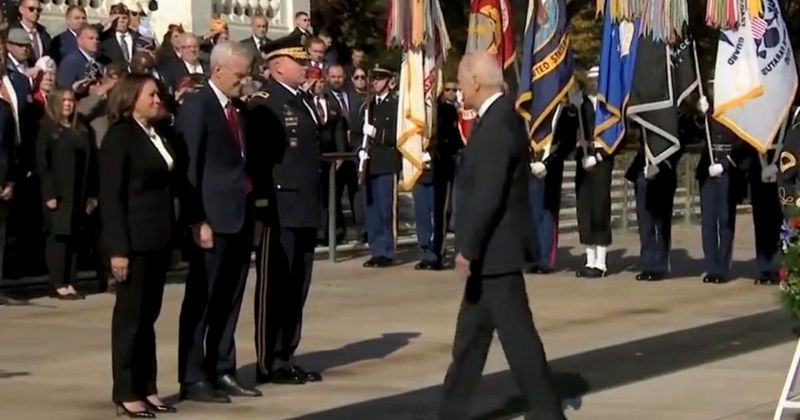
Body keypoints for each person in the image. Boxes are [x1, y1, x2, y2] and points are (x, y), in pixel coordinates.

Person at [439, 51, 565, 420]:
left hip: (495, 251)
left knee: (518, 341)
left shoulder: (497, 124)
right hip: (493, 255)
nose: (460, 90)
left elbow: (489, 194)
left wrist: (469, 247)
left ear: (476, 82)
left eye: (462, 82)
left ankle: (546, 411)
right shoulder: (496, 118)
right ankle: (451, 412)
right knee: (470, 343)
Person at [177, 41, 261, 402]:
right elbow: (189, 166)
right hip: (211, 220)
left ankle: (222, 367)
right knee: (202, 300)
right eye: (239, 76)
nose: (244, 82)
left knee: (230, 299)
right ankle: (193, 375)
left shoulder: (237, 109)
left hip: (239, 217)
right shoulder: (198, 106)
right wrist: (197, 219)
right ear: (219, 71)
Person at [100, 74, 188, 417]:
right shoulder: (120, 137)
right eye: (151, 94)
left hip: (158, 240)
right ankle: (125, 390)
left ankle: (147, 386)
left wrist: (175, 241)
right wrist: (117, 249)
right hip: (133, 242)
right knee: (129, 320)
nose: (157, 99)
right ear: (131, 97)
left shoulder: (158, 134)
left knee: (148, 317)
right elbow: (112, 197)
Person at [247, 36, 323, 385]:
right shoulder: (266, 101)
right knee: (275, 285)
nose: (305, 65)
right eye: (297, 61)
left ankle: (286, 354)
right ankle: (268, 361)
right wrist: (262, 205)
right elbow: (260, 161)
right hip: (280, 206)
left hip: (304, 204)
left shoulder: (301, 100)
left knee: (297, 285)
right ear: (278, 65)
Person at [37, 87, 97, 300]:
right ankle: (57, 283)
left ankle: (71, 281)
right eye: (63, 101)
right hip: (58, 193)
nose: (68, 104)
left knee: (74, 237)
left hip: (78, 191)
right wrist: (49, 194)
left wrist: (92, 194)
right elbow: (43, 164)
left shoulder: (80, 127)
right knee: (58, 238)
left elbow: (92, 162)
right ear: (55, 103)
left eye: (71, 101)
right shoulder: (48, 128)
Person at [528, 97, 578, 274]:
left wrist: (547, 163)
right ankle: (533, 257)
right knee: (532, 213)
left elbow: (567, 143)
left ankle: (546, 259)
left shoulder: (568, 112)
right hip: (531, 168)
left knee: (548, 213)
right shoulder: (532, 109)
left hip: (551, 169)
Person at [625, 128, 681, 281]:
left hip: (663, 171)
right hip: (642, 169)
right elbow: (628, 136)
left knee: (661, 222)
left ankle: (660, 264)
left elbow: (680, 141)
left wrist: (664, 163)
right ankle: (648, 263)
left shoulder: (671, 115)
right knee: (645, 221)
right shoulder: (640, 116)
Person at [359, 63, 400, 267]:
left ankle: (387, 251)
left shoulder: (395, 105)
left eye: (379, 78)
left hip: (387, 162)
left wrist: (377, 135)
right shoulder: (368, 105)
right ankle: (376, 249)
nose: (375, 82)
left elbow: (398, 135)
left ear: (389, 81)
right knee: (371, 209)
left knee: (386, 209)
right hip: (370, 163)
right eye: (373, 78)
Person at [575, 66, 613, 278]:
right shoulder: (580, 107)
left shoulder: (608, 108)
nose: (593, 83)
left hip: (601, 162)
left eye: (597, 79)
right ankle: (589, 260)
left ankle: (601, 262)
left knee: (600, 209)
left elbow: (617, 137)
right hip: (583, 161)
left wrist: (599, 156)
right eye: (590, 80)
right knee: (585, 209)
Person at [57, 24, 103, 89]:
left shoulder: (99, 61)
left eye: (97, 39)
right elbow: (63, 88)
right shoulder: (71, 61)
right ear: (79, 40)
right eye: (91, 38)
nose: (95, 41)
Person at [98, 3, 138, 70]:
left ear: (129, 19)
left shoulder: (137, 37)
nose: (121, 20)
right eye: (117, 18)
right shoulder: (104, 38)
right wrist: (103, 23)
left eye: (124, 18)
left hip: (134, 77)